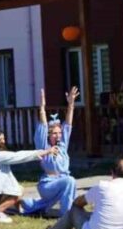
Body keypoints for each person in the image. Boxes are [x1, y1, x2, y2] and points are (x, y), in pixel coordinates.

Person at [0, 127, 56, 225]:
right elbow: (18, 156)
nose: (3, 142)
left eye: (4, 139)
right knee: (18, 191)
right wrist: (45, 151)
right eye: (0, 140)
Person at [20, 87, 79, 215]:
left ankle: (35, 206)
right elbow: (43, 125)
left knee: (69, 182)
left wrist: (71, 104)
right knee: (70, 181)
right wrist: (42, 108)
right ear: (48, 135)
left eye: (59, 133)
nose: (58, 136)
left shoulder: (62, 147)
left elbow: (68, 125)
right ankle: (67, 215)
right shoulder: (43, 147)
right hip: (48, 185)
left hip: (62, 182)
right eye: (54, 133)